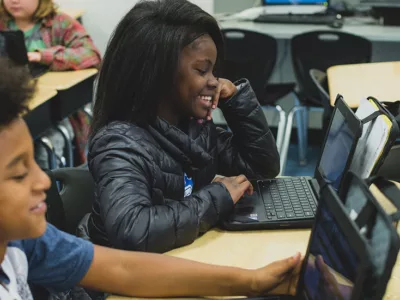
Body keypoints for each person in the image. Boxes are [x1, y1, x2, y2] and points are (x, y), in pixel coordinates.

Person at [0, 57, 301, 300]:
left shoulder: (23, 244)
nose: (43, 182)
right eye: (18, 174)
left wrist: (253, 281)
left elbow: (124, 270)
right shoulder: (123, 141)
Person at [86, 0, 280, 253]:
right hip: (118, 285)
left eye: (214, 71)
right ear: (157, 73)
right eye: (202, 71)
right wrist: (216, 197)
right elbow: (132, 229)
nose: (215, 82)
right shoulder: (119, 143)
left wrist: (235, 101)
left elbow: (261, 166)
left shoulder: (192, 126)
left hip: (174, 259)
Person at [0, 0, 102, 166]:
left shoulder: (58, 23)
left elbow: (91, 55)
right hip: (9, 111)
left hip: (54, 114)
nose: (14, 0)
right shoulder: (2, 23)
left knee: (45, 148)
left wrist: (41, 56)